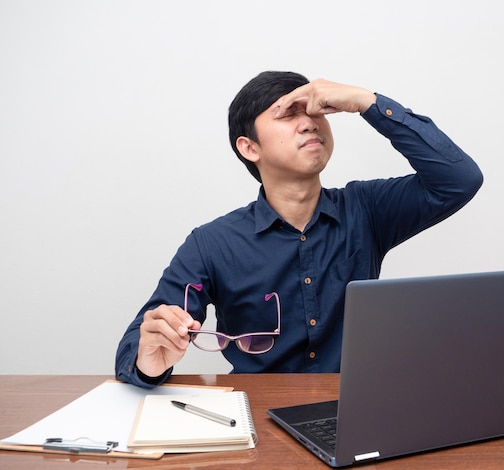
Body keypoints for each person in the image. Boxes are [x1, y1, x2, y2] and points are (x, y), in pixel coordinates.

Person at [115, 71, 483, 388]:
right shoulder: (212, 243)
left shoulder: (366, 209)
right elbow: (135, 348)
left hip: (353, 410)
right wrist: (149, 364)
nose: (308, 122)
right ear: (249, 147)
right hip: (256, 421)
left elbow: (458, 180)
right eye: (288, 114)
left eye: (312, 111)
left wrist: (366, 101)